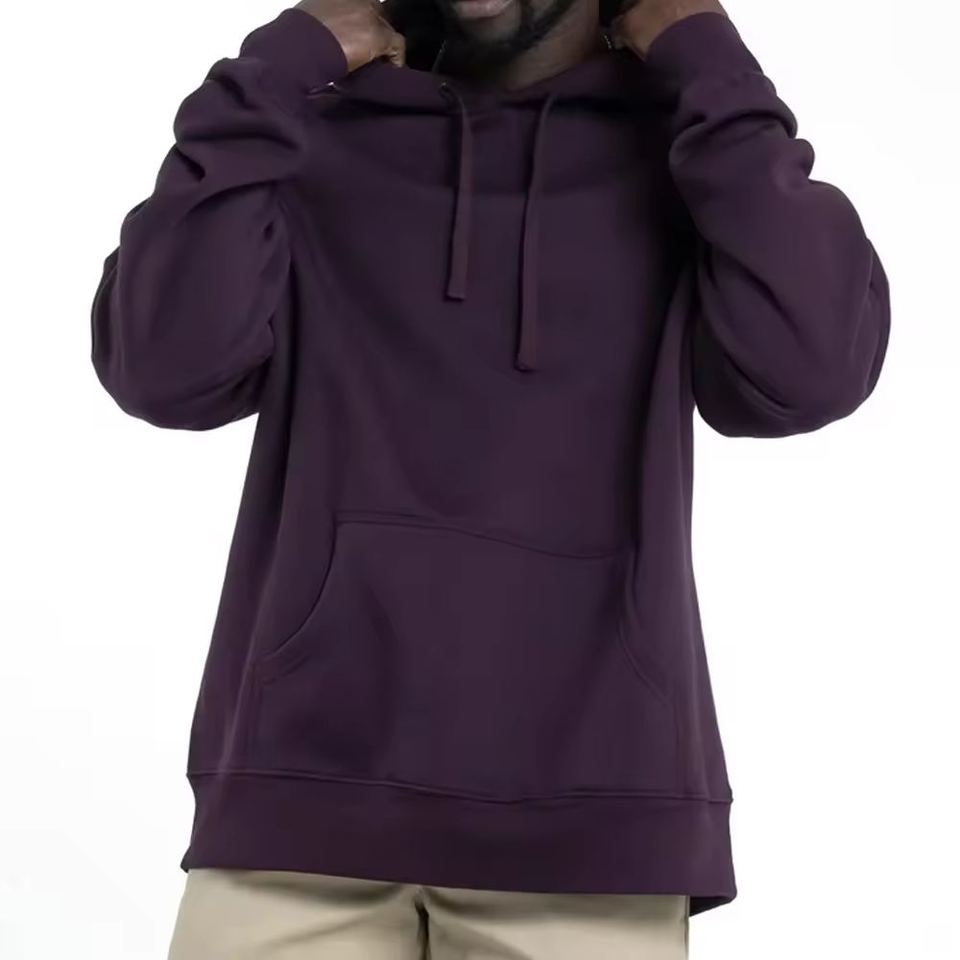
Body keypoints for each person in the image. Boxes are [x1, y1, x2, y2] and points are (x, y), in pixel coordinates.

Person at [89, 0, 891, 955]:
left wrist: (705, 56)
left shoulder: (689, 151)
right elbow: (164, 369)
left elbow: (809, 372)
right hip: (294, 813)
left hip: (596, 831)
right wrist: (274, 68)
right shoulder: (304, 131)